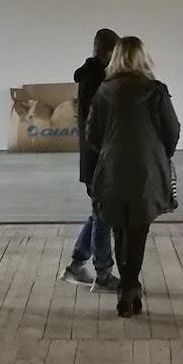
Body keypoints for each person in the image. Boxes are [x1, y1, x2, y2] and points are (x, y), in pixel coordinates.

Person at [85, 35, 180, 317]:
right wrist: (159, 153)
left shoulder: (103, 92)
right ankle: (129, 287)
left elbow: (92, 134)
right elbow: (172, 130)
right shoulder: (156, 91)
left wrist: (110, 149)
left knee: (119, 228)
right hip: (147, 171)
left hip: (112, 170)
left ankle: (127, 288)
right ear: (142, 58)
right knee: (138, 230)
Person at [61, 27, 121, 292]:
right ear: (107, 52)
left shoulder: (92, 77)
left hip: (94, 159)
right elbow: (97, 125)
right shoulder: (96, 81)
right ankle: (103, 273)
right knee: (103, 215)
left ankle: (77, 265)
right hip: (99, 160)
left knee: (99, 213)